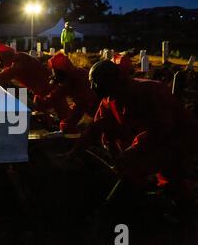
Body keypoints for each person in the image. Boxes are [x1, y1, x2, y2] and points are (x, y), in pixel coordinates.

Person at [77, 60, 198, 201]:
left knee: (171, 178)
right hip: (154, 137)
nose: (92, 87)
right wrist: (74, 152)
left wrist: (134, 150)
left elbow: (162, 127)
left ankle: (183, 207)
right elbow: (96, 127)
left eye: (95, 83)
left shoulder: (147, 92)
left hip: (178, 137)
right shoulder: (110, 99)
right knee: (130, 165)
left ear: (110, 80)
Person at [39, 52, 99, 137]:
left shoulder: (71, 81)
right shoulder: (77, 73)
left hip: (91, 105)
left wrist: (41, 102)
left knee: (95, 128)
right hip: (92, 104)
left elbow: (57, 95)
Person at [0, 43, 53, 108]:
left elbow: (9, 73)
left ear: (8, 56)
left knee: (40, 109)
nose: (4, 65)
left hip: (45, 88)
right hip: (40, 88)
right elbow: (7, 70)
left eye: (3, 61)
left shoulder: (20, 61)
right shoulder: (19, 57)